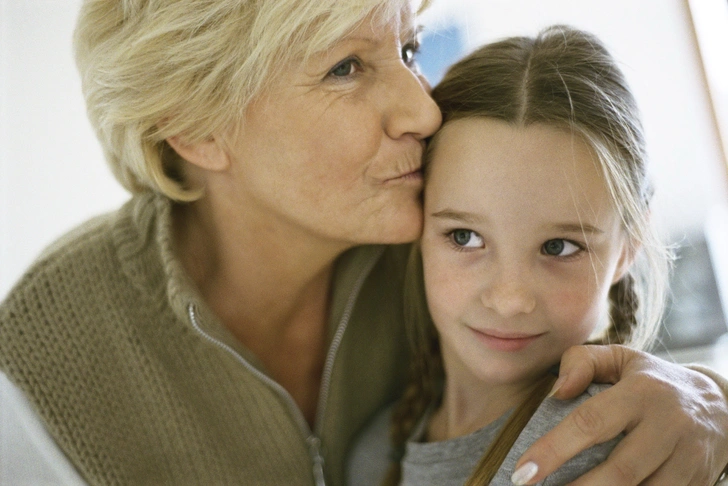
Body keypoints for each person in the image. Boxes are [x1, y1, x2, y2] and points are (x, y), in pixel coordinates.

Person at [0, 0, 727, 484]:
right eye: (345, 67)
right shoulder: (39, 358)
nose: (423, 107)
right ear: (195, 125)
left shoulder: (428, 223)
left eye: (409, 48)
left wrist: (714, 401)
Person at [347, 25, 677, 485]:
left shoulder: (618, 451)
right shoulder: (373, 453)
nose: (509, 299)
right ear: (417, 223)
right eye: (464, 237)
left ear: (628, 247)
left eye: (559, 247)